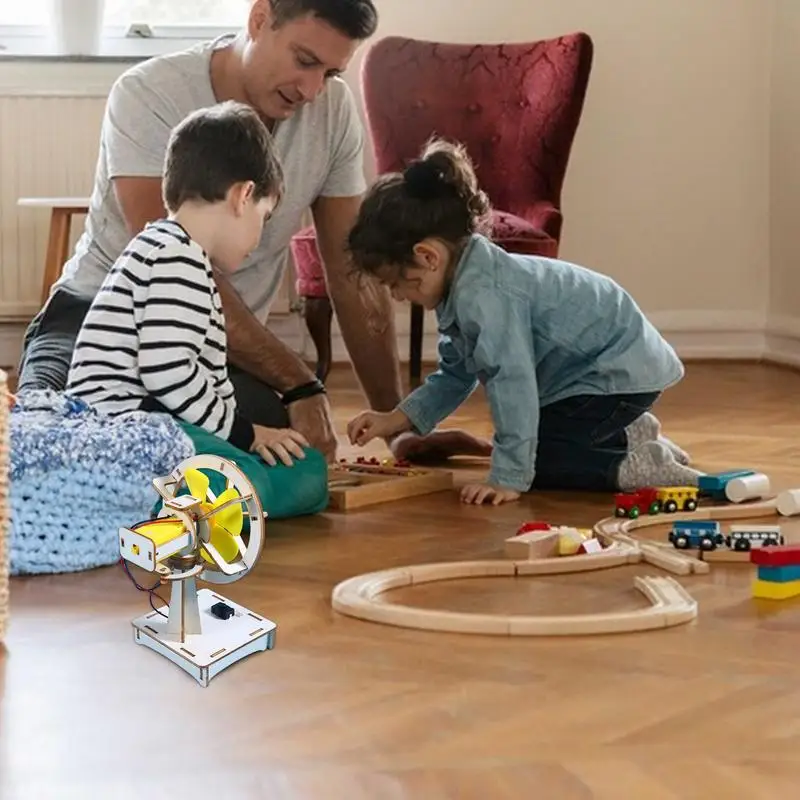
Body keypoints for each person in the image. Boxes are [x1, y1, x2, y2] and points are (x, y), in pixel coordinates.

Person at [16, 0, 489, 466]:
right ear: (259, 19)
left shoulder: (332, 112)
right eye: (304, 61)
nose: (311, 90)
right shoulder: (148, 92)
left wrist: (396, 425)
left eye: (330, 73)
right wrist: (301, 381)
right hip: (93, 320)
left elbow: (353, 268)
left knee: (277, 437)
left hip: (212, 349)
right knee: (42, 436)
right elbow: (179, 269)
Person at [345, 137, 702, 506]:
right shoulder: (466, 283)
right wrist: (396, 419)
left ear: (428, 257)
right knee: (537, 439)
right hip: (602, 369)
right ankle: (627, 432)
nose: (399, 297)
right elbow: (454, 377)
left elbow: (512, 384)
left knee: (541, 461)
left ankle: (636, 464)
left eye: (399, 284)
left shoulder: (484, 298)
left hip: (615, 371)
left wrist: (508, 477)